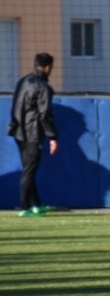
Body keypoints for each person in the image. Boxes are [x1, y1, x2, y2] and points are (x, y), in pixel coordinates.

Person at [8, 52, 59, 217]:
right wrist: (52, 137)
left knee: (28, 169)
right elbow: (45, 114)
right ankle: (24, 208)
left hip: (18, 131)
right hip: (32, 133)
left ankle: (36, 204)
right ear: (47, 67)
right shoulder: (43, 86)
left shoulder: (23, 81)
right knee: (29, 171)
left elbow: (16, 105)